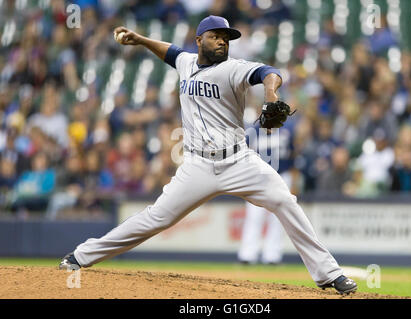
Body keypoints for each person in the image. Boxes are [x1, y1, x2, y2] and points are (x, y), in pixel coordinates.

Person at [59, 15, 357, 294]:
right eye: (216, 37)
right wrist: (140, 39)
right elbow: (171, 52)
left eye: (226, 38)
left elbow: (268, 72)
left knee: (284, 200)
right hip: (197, 165)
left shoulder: (232, 69)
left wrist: (271, 94)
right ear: (199, 39)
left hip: (239, 161)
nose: (223, 42)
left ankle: (329, 273)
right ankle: (82, 256)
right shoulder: (187, 62)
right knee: (156, 218)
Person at [237, 115, 299, 265]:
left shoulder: (286, 131)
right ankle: (248, 254)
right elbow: (244, 156)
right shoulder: (254, 131)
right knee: (254, 215)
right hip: (259, 176)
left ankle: (272, 256)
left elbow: (292, 157)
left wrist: (294, 180)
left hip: (282, 175)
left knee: (278, 217)